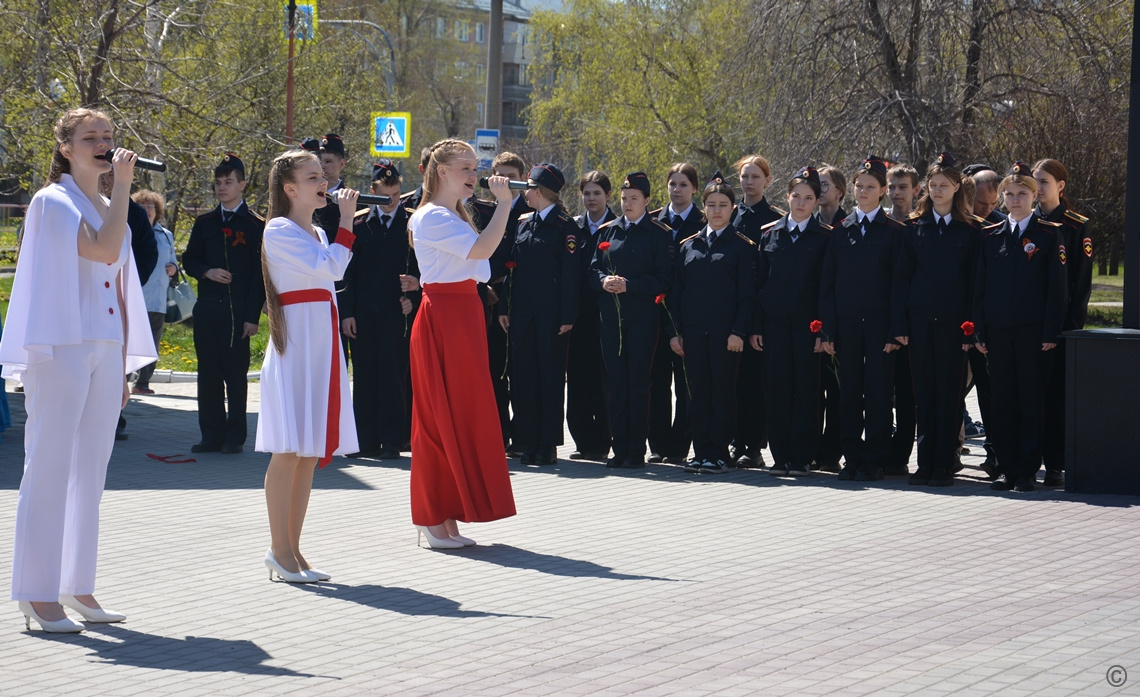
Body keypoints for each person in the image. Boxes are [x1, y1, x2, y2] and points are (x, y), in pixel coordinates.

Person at [0, 108, 154, 631]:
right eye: (91, 137)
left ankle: (76, 584)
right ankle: (36, 591)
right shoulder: (53, 201)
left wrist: (128, 366)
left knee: (90, 471)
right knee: (49, 466)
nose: (104, 144)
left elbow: (120, 284)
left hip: (105, 345)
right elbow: (104, 250)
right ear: (66, 148)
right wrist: (127, 188)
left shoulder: (109, 203)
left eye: (108, 136)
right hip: (63, 345)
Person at [257, 149, 360, 582]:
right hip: (295, 346)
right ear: (290, 188)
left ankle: (294, 552)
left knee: (308, 452)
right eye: (313, 176)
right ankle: (280, 551)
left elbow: (329, 272)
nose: (325, 182)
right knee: (288, 449)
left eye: (324, 175)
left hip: (320, 345)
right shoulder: (279, 230)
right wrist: (349, 222)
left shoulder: (317, 232)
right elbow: (332, 269)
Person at [407, 139, 517, 549]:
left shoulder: (454, 214)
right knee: (438, 420)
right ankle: (432, 516)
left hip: (463, 313)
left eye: (475, 168)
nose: (475, 175)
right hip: (445, 316)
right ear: (441, 172)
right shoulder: (433, 216)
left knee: (462, 417)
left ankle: (447, 515)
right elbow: (483, 250)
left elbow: (483, 270)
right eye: (465, 168)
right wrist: (505, 204)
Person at [972, 162, 1067, 493]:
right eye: (1009, 194)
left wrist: (1050, 331)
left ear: (1034, 195)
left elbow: (1057, 290)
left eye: (1022, 193)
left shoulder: (1048, 233)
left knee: (1030, 402)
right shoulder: (990, 234)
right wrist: (979, 330)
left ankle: (1027, 469)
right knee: (1001, 402)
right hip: (997, 333)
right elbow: (979, 288)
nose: (1015, 199)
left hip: (1031, 334)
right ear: (1002, 196)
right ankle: (1006, 467)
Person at [893, 153, 982, 486]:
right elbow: (902, 279)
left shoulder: (971, 230)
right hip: (919, 322)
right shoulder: (914, 227)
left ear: (957, 187)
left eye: (944, 185)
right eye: (933, 185)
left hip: (954, 324)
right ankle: (926, 463)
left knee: (950, 394)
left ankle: (946, 463)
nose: (938, 190)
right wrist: (900, 325)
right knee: (924, 394)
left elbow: (975, 282)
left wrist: (971, 327)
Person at [819, 157, 904, 482]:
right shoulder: (840, 232)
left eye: (871, 186)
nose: (864, 191)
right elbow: (828, 285)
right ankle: (852, 456)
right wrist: (828, 329)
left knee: (880, 393)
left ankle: (875, 458)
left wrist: (896, 331)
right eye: (859, 186)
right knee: (849, 392)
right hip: (848, 325)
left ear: (882, 191)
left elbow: (899, 285)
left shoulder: (894, 231)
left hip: (881, 326)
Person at [668, 172, 756, 473]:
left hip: (725, 336)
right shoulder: (688, 246)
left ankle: (719, 452)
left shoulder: (742, 247)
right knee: (697, 392)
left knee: (723, 393)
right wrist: (675, 333)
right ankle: (701, 450)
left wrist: (738, 331)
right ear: (703, 208)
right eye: (711, 204)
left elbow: (747, 297)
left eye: (723, 204)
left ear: (733, 208)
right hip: (693, 334)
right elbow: (677, 294)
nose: (717, 210)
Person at [498, 163, 582, 465]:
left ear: (539, 191)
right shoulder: (522, 223)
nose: (525, 194)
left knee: (548, 378)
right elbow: (513, 271)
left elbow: (571, 276)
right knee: (523, 378)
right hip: (522, 315)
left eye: (528, 189)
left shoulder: (565, 227)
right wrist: (505, 308)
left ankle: (547, 444)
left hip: (550, 317)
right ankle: (527, 440)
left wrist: (567, 315)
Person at [588, 172, 674, 469]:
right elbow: (592, 270)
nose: (628, 204)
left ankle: (636, 448)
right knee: (616, 383)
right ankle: (619, 445)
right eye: (624, 199)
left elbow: (664, 278)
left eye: (634, 199)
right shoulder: (609, 231)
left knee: (638, 383)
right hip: (612, 318)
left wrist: (631, 285)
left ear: (648, 201)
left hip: (642, 319)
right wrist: (603, 280)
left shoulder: (658, 233)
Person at [750, 167, 831, 477]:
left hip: (807, 328)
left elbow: (826, 288)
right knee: (778, 389)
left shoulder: (824, 237)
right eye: (796, 196)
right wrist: (757, 326)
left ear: (816, 201)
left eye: (808, 198)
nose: (801, 203)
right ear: (787, 197)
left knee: (807, 391)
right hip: (774, 325)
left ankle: (802, 456)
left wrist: (823, 329)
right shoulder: (769, 232)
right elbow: (760, 283)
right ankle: (780, 455)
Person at [182, 153, 265, 454]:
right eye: (218, 183)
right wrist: (207, 271)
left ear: (242, 185)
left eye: (228, 182)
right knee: (209, 374)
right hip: (208, 307)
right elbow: (189, 259)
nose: (222, 188)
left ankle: (235, 436)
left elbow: (260, 275)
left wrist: (252, 316)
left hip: (239, 310)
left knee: (235, 375)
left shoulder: (255, 224)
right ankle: (211, 434)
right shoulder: (205, 222)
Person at [340, 160, 420, 460]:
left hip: (396, 313)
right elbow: (345, 273)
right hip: (362, 312)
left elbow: (426, 268)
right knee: (363, 378)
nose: (393, 201)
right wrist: (346, 312)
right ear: (372, 192)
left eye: (398, 194)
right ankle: (364, 440)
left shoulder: (411, 223)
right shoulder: (360, 224)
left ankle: (392, 439)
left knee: (391, 376)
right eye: (386, 196)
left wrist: (417, 290)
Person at [1033, 158, 1092, 487]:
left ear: (1060, 186)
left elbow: (1081, 283)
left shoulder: (1073, 225)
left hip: (1060, 327)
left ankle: (1055, 463)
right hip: (1029, 322)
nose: (1038, 188)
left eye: (1044, 181)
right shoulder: (1028, 220)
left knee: (1055, 397)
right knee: (1030, 395)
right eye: (1035, 181)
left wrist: (1069, 328)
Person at [730, 154, 783, 469]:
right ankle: (734, 439)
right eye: (745, 176)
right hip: (730, 312)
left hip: (757, 314)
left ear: (767, 180)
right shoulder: (729, 213)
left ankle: (754, 444)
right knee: (732, 382)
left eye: (755, 176)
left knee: (755, 383)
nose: (749, 182)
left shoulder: (775, 218)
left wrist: (758, 323)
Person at [648, 163, 703, 464]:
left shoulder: (703, 220)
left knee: (685, 386)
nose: (677, 190)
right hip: (655, 313)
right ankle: (658, 444)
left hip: (687, 314)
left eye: (683, 184)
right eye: (672, 184)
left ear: (694, 188)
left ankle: (680, 446)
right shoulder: (654, 220)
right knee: (656, 383)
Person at [566, 171, 616, 461]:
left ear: (608, 196)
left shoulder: (616, 227)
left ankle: (604, 439)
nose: (591, 198)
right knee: (579, 378)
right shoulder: (573, 227)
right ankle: (584, 441)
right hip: (580, 314)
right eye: (586, 193)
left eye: (597, 193)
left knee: (604, 378)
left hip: (608, 313)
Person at [487, 151, 532, 456]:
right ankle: (499, 433)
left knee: (519, 372)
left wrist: (501, 289)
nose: (504, 182)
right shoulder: (484, 210)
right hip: (488, 300)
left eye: (510, 176)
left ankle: (521, 434)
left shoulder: (528, 212)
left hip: (515, 300)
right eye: (498, 176)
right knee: (494, 372)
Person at [885, 163, 920, 475]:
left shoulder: (919, 226)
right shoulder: (879, 223)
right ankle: (882, 450)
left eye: (903, 187)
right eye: (892, 187)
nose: (897, 193)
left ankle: (900, 457)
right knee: (881, 394)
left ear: (915, 191)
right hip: (878, 323)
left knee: (908, 396)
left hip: (911, 326)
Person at [814, 164, 848, 471]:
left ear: (839, 191)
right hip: (809, 319)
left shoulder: (846, 225)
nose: (820, 190)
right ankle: (813, 449)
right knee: (813, 390)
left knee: (838, 391)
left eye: (825, 185)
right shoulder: (807, 222)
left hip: (838, 320)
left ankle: (832, 452)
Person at [131, 190, 179, 395]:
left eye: (150, 206)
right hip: (134, 298)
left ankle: (143, 382)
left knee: (152, 342)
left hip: (157, 299)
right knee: (130, 340)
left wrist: (174, 269)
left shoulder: (165, 235)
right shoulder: (130, 231)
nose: (146, 210)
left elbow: (174, 261)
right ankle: (121, 378)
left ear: (157, 211)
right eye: (141, 207)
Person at [314, 133, 348, 242]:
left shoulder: (351, 199)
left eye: (328, 162)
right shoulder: (308, 195)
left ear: (341, 164)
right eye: (319, 161)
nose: (322, 166)